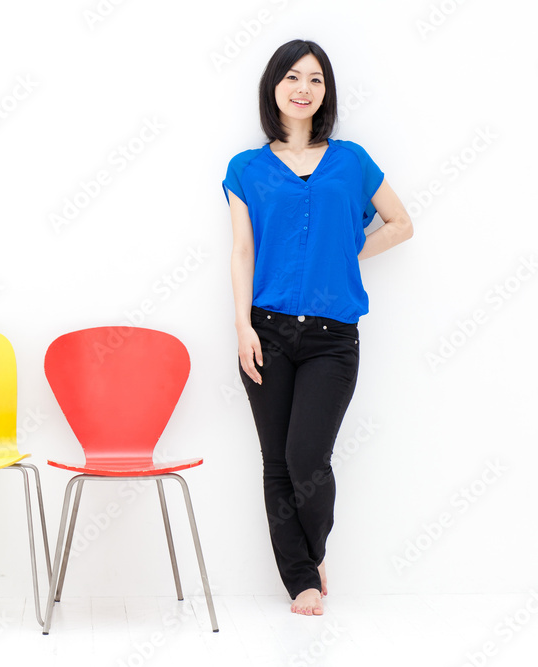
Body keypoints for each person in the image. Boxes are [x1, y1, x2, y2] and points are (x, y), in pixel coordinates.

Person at [222, 39, 413, 616]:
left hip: (332, 339)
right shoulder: (245, 169)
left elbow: (400, 223)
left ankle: (314, 547)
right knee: (276, 462)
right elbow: (241, 252)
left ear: (325, 92)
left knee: (309, 459)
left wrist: (345, 253)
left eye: (315, 80)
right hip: (267, 330)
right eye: (292, 78)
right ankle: (302, 579)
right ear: (274, 87)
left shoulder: (351, 160)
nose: (303, 89)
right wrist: (241, 328)